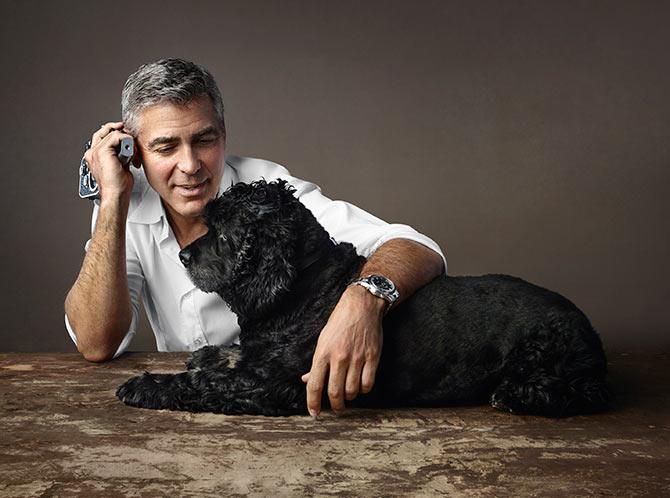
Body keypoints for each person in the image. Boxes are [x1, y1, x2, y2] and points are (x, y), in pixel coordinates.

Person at [64, 58, 447, 417]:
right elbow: (97, 343)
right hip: (188, 407)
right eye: (165, 147)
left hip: (291, 406)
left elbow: (418, 248)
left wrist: (364, 299)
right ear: (133, 152)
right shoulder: (123, 205)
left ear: (224, 135)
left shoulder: (271, 197)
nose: (191, 165)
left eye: (204, 140)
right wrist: (112, 200)